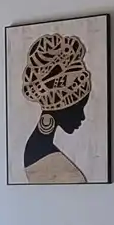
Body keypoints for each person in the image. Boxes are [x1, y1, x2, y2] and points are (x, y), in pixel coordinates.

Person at [20, 32, 92, 183]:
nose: (83, 116)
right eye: (79, 108)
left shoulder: (37, 153)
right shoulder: (45, 161)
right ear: (62, 106)